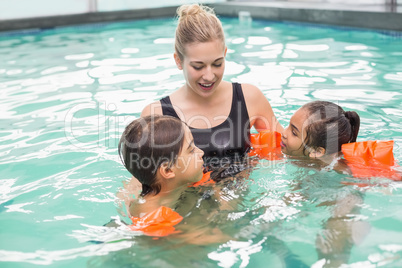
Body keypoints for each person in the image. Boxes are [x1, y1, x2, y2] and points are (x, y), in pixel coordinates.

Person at [141, 4, 283, 163]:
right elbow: (143, 179)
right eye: (198, 66)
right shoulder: (158, 115)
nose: (209, 76)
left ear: (225, 54)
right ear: (178, 61)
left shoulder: (249, 98)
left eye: (217, 64)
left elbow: (287, 151)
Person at [118, 115, 204, 218]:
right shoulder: (154, 216)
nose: (201, 152)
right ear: (168, 170)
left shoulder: (178, 183)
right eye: (191, 150)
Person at [280, 100, 360, 163]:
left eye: (294, 133)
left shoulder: (329, 173)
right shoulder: (297, 153)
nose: (283, 133)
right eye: (288, 125)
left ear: (316, 151)